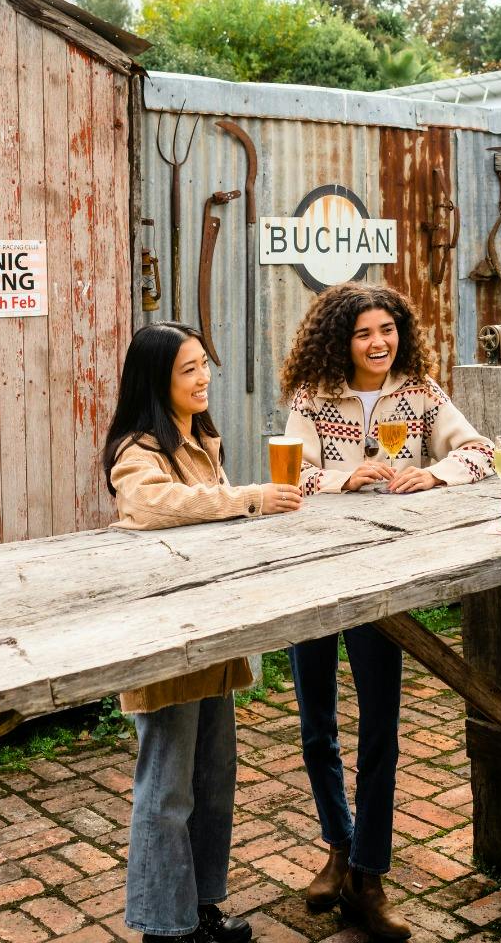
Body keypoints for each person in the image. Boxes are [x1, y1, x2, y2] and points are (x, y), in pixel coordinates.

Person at [277, 282, 493, 940]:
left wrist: (433, 474)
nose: (378, 343)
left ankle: (368, 879)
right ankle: (338, 848)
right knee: (317, 726)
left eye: (387, 330)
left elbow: (477, 451)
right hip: (310, 575)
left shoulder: (422, 394)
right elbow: (288, 475)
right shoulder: (312, 399)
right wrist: (348, 476)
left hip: (381, 580)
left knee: (380, 731)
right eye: (364, 333)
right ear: (340, 339)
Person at [103, 322, 302, 943]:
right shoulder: (138, 449)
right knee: (166, 789)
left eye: (203, 365)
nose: (203, 377)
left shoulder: (201, 438)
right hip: (166, 640)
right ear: (157, 379)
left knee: (214, 779)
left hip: (213, 634)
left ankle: (199, 908)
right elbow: (152, 506)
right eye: (188, 369)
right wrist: (246, 498)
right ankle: (165, 927)